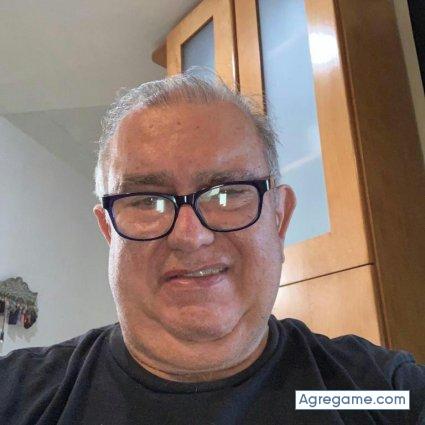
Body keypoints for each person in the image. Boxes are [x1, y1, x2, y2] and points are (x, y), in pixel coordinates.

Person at [0, 74, 424, 425]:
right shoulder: (15, 396)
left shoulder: (382, 394)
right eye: (146, 200)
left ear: (279, 219)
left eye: (227, 193)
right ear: (109, 230)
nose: (190, 235)